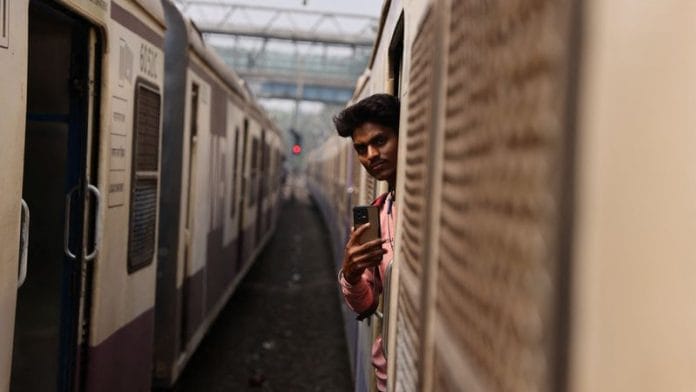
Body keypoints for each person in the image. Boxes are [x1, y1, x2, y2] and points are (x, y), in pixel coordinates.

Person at [333, 93, 399, 392]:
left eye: (380, 141)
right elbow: (365, 303)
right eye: (361, 149)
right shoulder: (376, 213)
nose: (370, 155)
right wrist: (351, 273)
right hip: (388, 376)